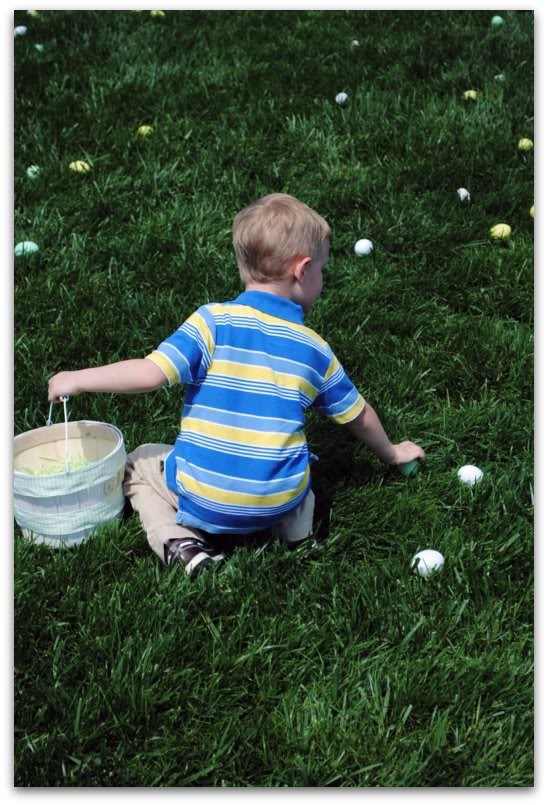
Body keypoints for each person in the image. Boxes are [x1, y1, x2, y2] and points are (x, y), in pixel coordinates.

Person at [48, 193, 425, 577]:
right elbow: (358, 417)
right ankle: (297, 536)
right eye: (323, 270)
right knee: (303, 463)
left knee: (139, 463)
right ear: (303, 269)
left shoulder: (211, 322)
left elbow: (151, 373)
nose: (323, 279)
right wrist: (392, 453)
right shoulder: (315, 349)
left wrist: (77, 379)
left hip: (203, 498)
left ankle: (180, 542)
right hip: (277, 502)